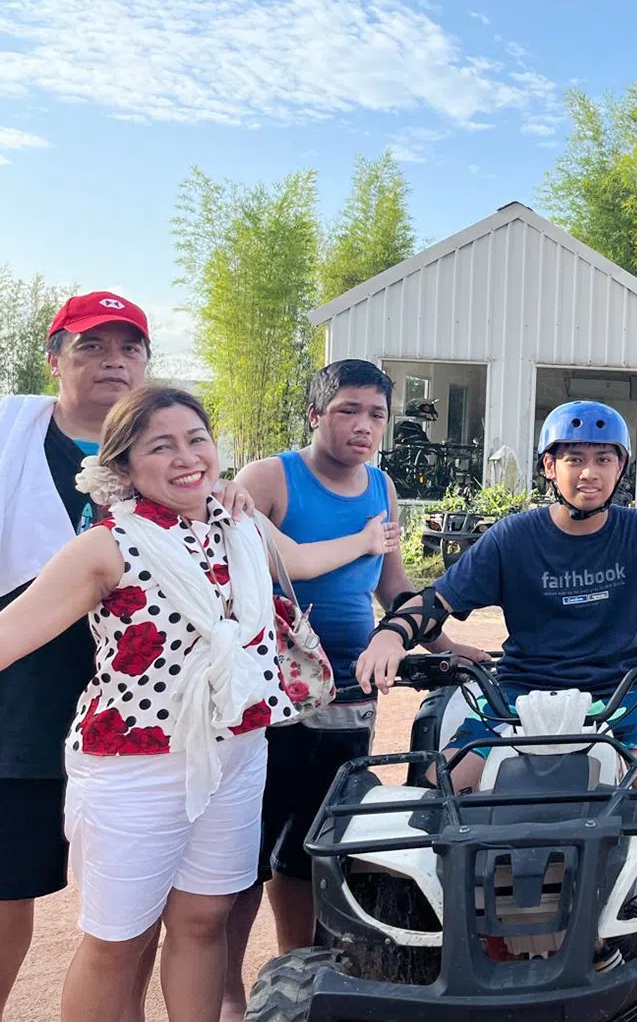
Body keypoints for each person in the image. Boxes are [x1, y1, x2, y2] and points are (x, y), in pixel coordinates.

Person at [0, 385, 396, 1022]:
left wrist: (370, 540)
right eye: (161, 446)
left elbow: (296, 560)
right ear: (124, 464)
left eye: (196, 440)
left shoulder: (239, 524)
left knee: (205, 920)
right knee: (117, 944)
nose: (186, 458)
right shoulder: (104, 546)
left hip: (238, 755)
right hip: (136, 765)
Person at [0, 292, 256, 1020]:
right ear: (54, 358)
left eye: (129, 348)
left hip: (198, 736)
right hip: (42, 714)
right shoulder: (16, 444)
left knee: (185, 920)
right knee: (35, 907)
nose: (113, 360)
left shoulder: (212, 507)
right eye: (90, 346)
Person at [220, 361, 478, 1019]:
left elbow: (392, 588)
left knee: (317, 844)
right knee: (243, 854)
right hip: (268, 701)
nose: (363, 427)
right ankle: (221, 990)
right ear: (314, 414)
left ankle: (297, 970)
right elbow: (244, 575)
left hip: (349, 697)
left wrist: (443, 645)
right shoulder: (268, 479)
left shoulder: (383, 488)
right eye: (347, 411)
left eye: (376, 415)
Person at [354, 400, 637, 795]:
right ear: (549, 467)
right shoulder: (513, 537)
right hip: (516, 695)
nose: (589, 473)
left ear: (621, 468)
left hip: (622, 694)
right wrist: (390, 636)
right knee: (435, 793)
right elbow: (435, 601)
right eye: (574, 459)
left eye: (603, 459)